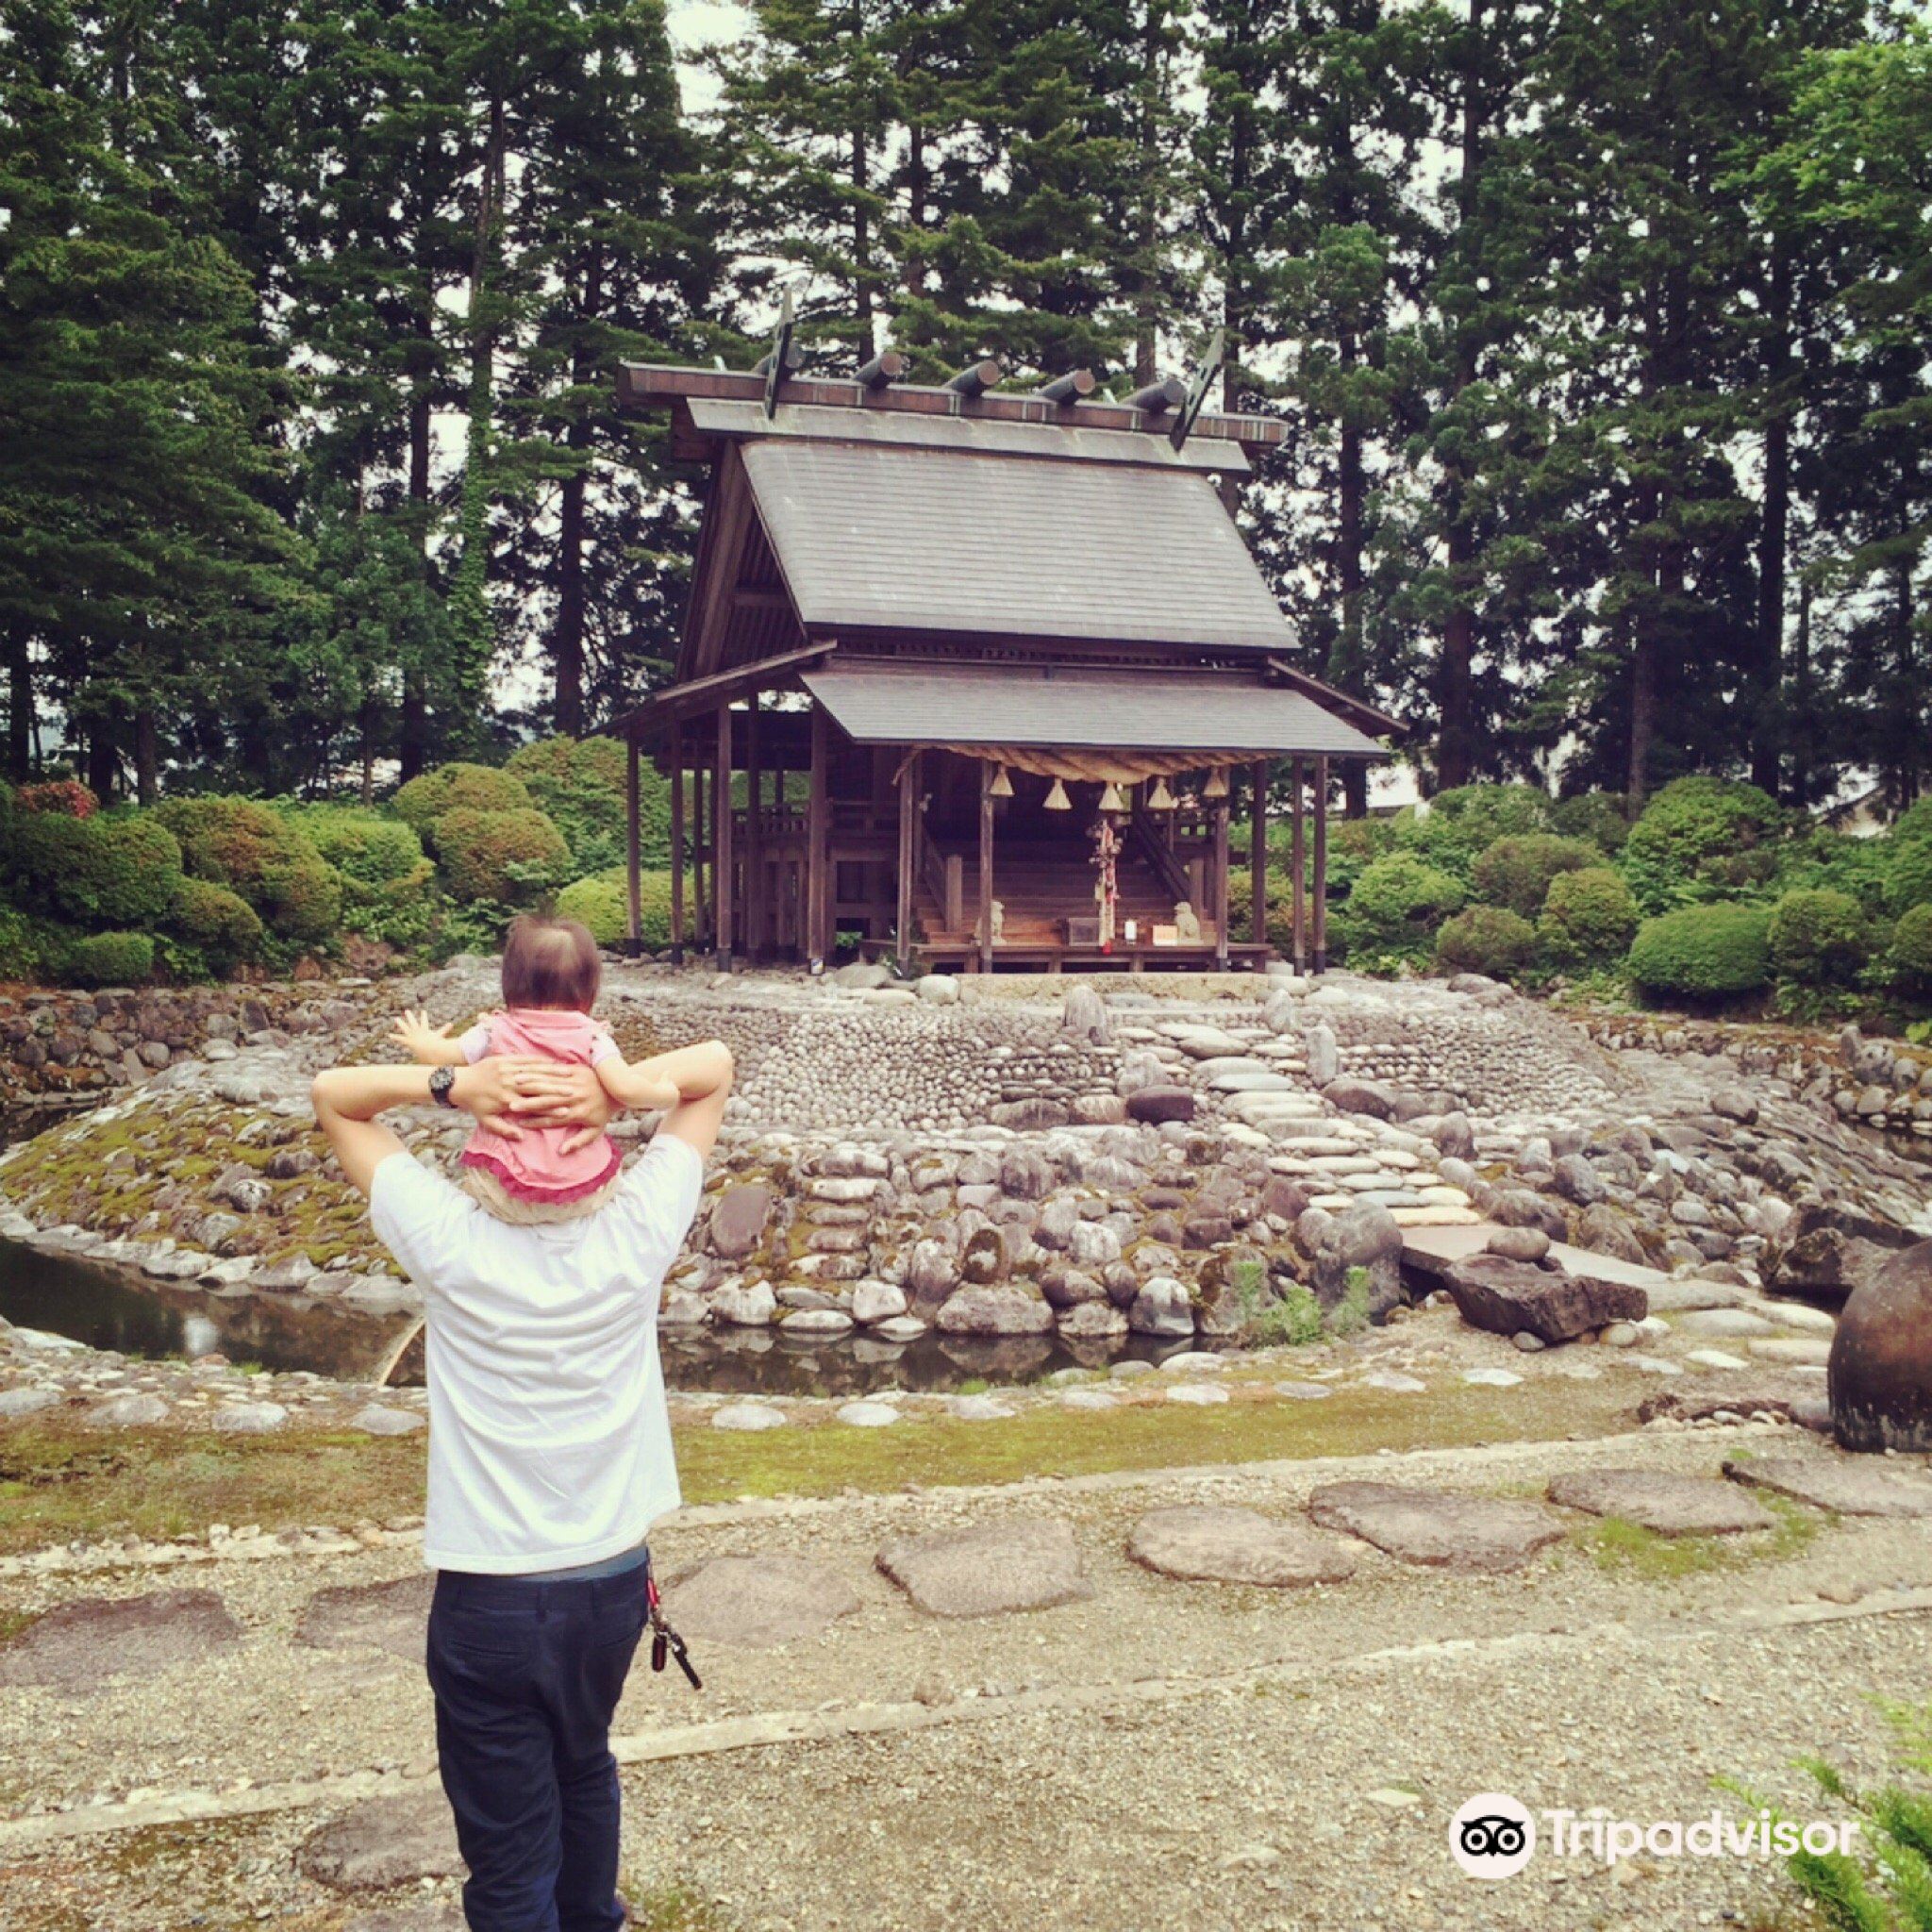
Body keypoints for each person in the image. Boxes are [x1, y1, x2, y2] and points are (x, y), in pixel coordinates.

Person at [310, 1017, 734, 1932]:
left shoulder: (446, 1235)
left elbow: (333, 1093)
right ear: (600, 1156)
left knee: (506, 1847)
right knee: (583, 1758)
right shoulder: (637, 1226)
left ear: (482, 1152)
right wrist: (610, 1087)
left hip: (491, 1598)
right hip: (610, 1583)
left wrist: (448, 1083)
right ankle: (595, 1918)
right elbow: (712, 1072)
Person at [389, 915, 681, 1224]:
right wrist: (665, 1094)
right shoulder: (593, 1038)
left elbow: (443, 1056)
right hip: (582, 1191)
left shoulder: (494, 1029)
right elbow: (628, 1090)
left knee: (479, 1176)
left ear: (509, 985)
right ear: (589, 993)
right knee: (605, 1165)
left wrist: (422, 1041)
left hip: (503, 1191)